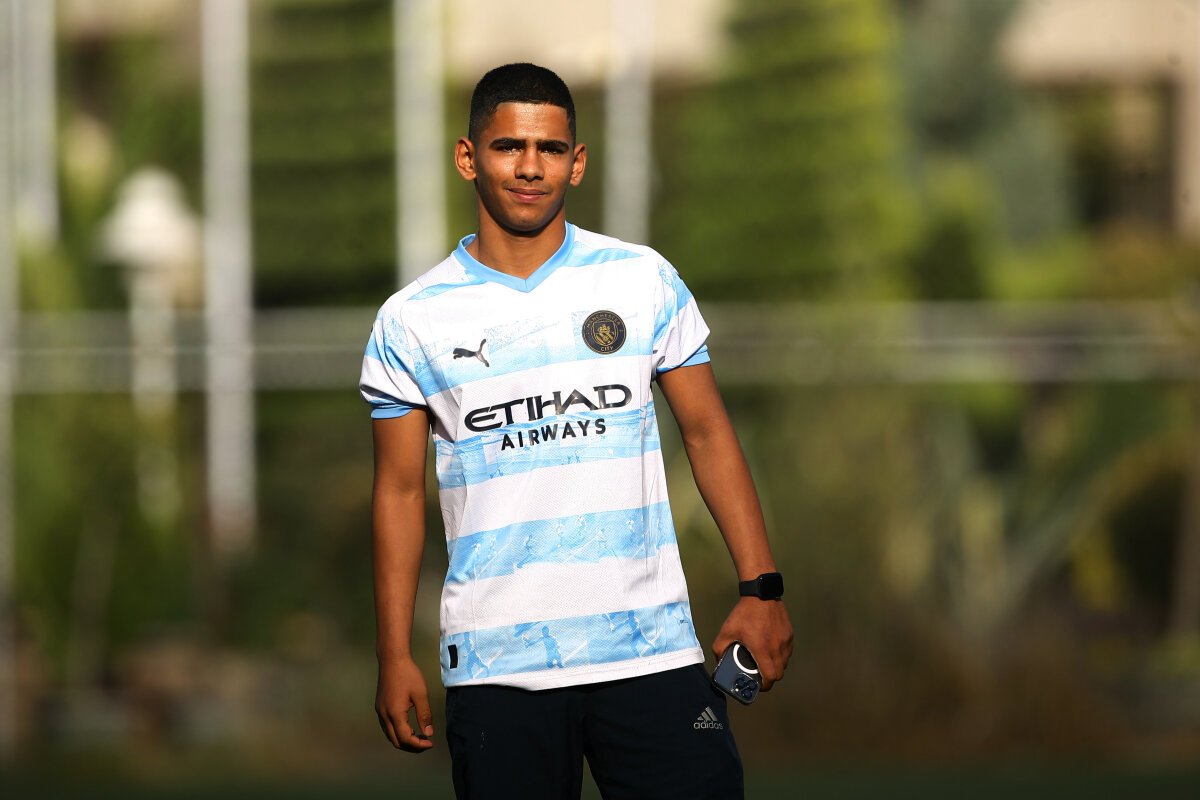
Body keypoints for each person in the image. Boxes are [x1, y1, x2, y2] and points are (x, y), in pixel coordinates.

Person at [360, 62, 792, 800]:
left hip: (651, 655)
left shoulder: (641, 279)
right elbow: (399, 492)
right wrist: (393, 653)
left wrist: (763, 588)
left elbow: (708, 433)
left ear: (577, 161)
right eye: (508, 146)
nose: (530, 167)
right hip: (499, 669)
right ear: (468, 157)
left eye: (551, 149)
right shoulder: (412, 319)